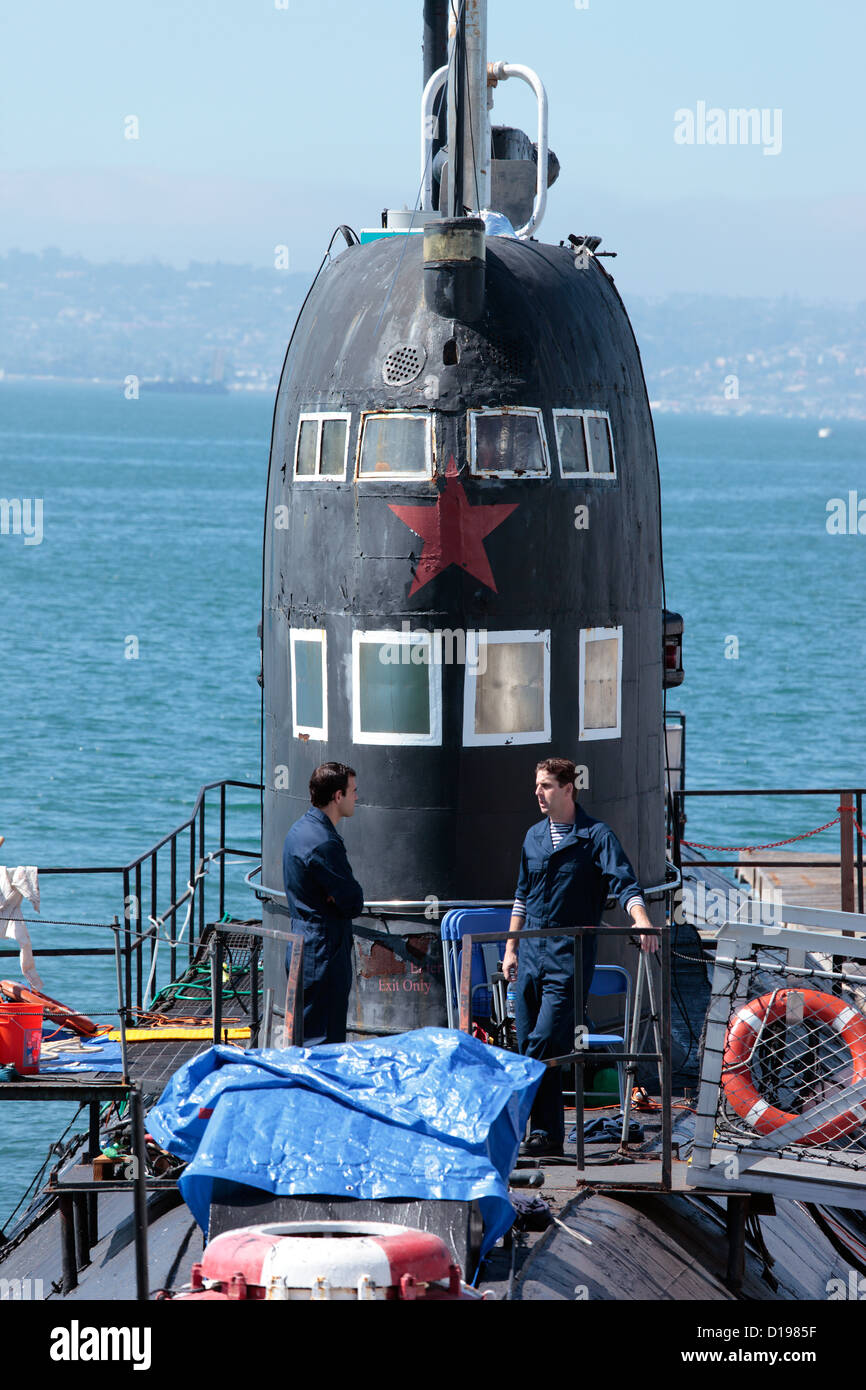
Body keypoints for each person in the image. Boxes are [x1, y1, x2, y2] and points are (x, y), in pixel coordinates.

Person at [502, 757, 656, 1157]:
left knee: (543, 1039)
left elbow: (624, 883)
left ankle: (504, 1123)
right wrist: (511, 947)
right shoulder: (533, 837)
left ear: (569, 789)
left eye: (547, 786)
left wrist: (640, 919)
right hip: (530, 955)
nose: (539, 792)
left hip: (569, 956)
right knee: (532, 1044)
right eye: (537, 785)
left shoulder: (596, 837)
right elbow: (521, 895)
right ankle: (547, 1135)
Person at [282, 762, 364, 1046]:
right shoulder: (325, 843)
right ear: (337, 796)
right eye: (353, 791)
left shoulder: (299, 829)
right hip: (324, 950)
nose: (357, 797)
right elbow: (353, 902)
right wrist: (338, 896)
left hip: (300, 941)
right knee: (323, 1042)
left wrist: (334, 895)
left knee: (304, 1033)